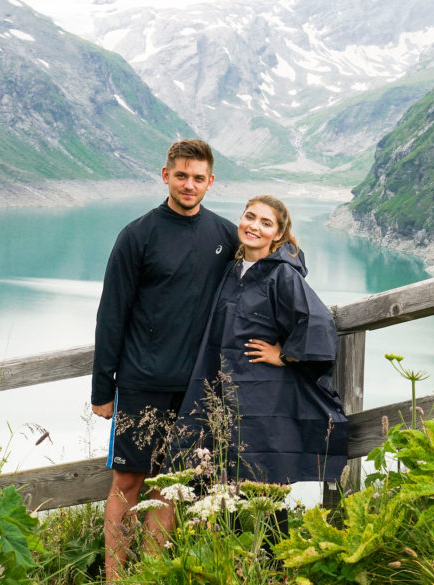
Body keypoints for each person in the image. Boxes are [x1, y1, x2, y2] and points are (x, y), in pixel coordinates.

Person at [90, 138, 238, 581]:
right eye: (181, 176)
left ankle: (152, 574)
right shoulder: (137, 235)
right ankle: (115, 576)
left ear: (211, 181)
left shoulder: (226, 235)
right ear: (165, 176)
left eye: (198, 178)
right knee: (129, 483)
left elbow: (274, 270)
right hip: (142, 382)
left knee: (171, 487)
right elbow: (111, 313)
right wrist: (102, 390)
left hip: (196, 389)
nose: (189, 185)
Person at [173, 194, 349, 515]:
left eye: (266, 223)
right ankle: (237, 560)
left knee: (263, 485)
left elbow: (317, 322)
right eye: (250, 217)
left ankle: (273, 563)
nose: (254, 226)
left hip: (262, 393)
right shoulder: (232, 270)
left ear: (278, 234)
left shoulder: (282, 274)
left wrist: (285, 356)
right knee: (226, 483)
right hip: (224, 390)